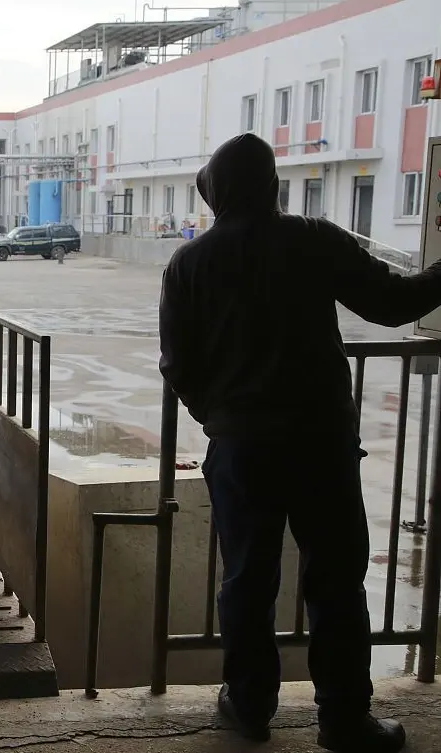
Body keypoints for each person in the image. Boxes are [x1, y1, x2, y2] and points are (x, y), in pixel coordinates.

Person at [158, 132, 441, 753]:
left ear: (216, 191)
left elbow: (177, 364)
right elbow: (393, 304)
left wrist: (220, 418)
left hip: (241, 451)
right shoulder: (314, 239)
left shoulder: (190, 262)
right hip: (320, 443)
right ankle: (344, 719)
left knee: (246, 580)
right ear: (272, 185)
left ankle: (251, 705)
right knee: (337, 581)